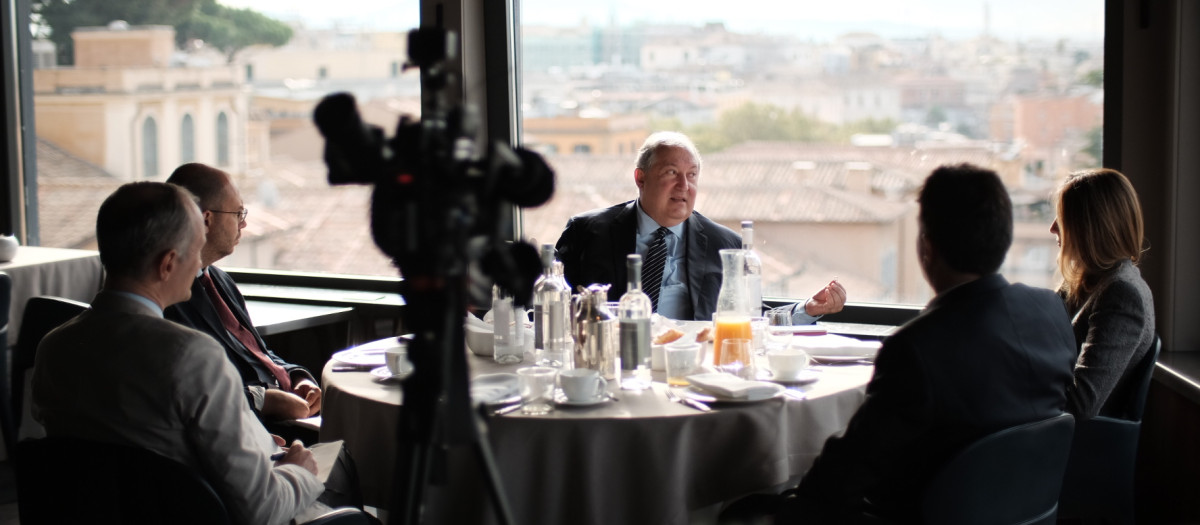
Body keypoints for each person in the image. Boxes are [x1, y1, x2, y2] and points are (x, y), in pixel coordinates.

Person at [726, 164, 1077, 524]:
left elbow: (841, 478)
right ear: (1004, 237)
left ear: (926, 246)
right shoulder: (1050, 311)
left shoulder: (918, 347)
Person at [32, 182, 325, 525]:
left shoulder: (54, 347)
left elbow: (120, 462)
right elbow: (262, 510)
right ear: (169, 263)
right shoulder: (193, 356)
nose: (200, 267)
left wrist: (254, 443)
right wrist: (299, 472)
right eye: (196, 251)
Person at [555, 131, 845, 322]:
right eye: (671, 173)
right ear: (640, 178)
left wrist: (807, 309)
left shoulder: (725, 245)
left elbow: (753, 319)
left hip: (693, 368)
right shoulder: (589, 232)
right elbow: (550, 309)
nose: (684, 185)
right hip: (615, 367)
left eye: (692, 175)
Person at [163, 163, 321, 441]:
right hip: (250, 426)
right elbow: (196, 394)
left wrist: (295, 376)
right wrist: (265, 400)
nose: (244, 223)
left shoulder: (220, 280)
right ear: (206, 220)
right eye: (237, 213)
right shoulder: (171, 296)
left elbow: (255, 352)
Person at [1051, 168, 1156, 420]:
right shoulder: (1087, 281)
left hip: (1072, 442)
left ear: (1090, 227)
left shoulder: (1121, 294)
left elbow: (1081, 404)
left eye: (1063, 219)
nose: (1053, 228)